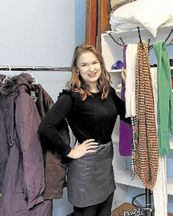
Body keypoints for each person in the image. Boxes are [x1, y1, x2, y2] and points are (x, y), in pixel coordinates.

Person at [38, 44, 128, 216]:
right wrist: (70, 152)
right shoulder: (72, 97)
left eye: (95, 63)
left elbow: (127, 116)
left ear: (101, 64)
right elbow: (45, 127)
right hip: (85, 167)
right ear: (76, 69)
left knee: (104, 212)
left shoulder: (107, 93)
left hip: (105, 163)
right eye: (84, 65)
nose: (91, 69)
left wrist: (128, 85)